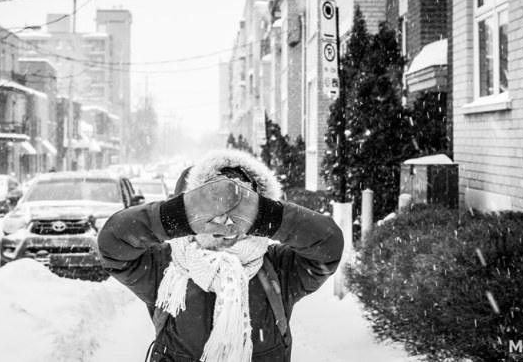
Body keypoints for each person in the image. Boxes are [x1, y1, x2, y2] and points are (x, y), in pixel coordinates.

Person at [97, 149, 344, 362]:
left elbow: (328, 245)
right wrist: (176, 216)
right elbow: (112, 244)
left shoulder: (276, 267)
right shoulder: (166, 265)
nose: (225, 219)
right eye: (211, 208)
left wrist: (267, 216)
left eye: (237, 210)